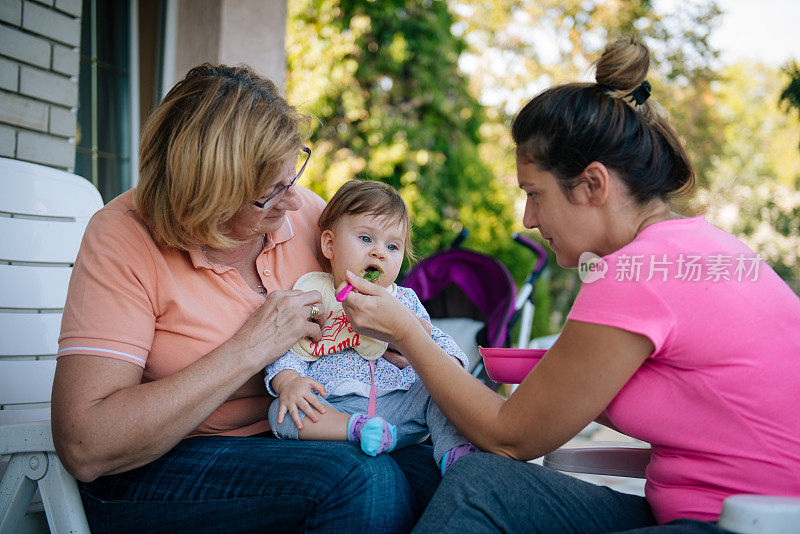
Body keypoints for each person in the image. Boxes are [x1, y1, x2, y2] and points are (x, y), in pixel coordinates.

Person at [338, 37, 800, 533]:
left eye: (535, 194)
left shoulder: (634, 274)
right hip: (705, 512)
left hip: (741, 525)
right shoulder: (697, 249)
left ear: (593, 185)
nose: (528, 218)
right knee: (485, 483)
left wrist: (409, 334)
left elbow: (510, 436)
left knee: (484, 480)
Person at [51, 64, 440, 534]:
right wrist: (252, 346)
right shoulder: (124, 237)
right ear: (207, 194)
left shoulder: (308, 216)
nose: (295, 202)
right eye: (269, 194)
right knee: (361, 479)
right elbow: (86, 445)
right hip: (157, 466)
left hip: (294, 436)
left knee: (438, 473)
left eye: (292, 174)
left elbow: (388, 301)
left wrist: (398, 340)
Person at [265, 179, 477, 473]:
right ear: (330, 244)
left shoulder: (403, 301)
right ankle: (357, 430)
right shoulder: (313, 296)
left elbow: (442, 347)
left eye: (392, 246)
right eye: (366, 239)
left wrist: (422, 340)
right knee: (281, 411)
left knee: (439, 390)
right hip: (334, 408)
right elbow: (287, 349)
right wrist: (289, 382)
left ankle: (453, 452)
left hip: (401, 407)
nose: (379, 252)